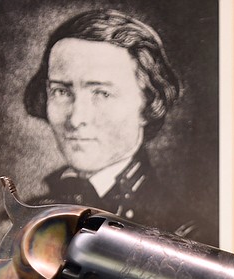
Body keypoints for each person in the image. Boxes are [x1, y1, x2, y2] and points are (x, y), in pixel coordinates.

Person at [23, 9, 196, 236]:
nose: (76, 119)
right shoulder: (31, 214)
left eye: (102, 94)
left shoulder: (183, 231)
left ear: (148, 103)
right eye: (61, 91)